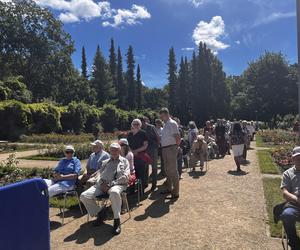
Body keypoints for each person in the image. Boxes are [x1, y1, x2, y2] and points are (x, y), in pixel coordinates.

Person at [80, 143, 130, 235]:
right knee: (84, 196)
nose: (114, 152)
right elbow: (99, 174)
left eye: (116, 150)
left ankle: (117, 221)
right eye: (112, 150)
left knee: (114, 192)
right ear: (109, 151)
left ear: (119, 151)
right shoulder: (105, 162)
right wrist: (102, 184)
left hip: (117, 184)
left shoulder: (124, 161)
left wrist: (111, 184)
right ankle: (100, 213)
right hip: (102, 185)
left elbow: (126, 176)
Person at [280, 146, 300, 250]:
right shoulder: (288, 173)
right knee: (287, 215)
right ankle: (295, 243)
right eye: (298, 158)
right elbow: (285, 193)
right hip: (294, 204)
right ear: (293, 159)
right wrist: (297, 199)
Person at [159, 108, 181, 200]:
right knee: (167, 170)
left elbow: (177, 137)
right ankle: (169, 188)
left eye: (162, 116)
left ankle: (175, 192)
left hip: (171, 148)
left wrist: (176, 147)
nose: (161, 118)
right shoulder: (166, 124)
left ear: (167, 114)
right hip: (165, 148)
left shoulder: (172, 123)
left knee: (173, 170)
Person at [127, 119, 149, 193]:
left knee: (141, 174)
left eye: (137, 124)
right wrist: (132, 152)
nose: (135, 125)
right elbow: (128, 145)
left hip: (141, 156)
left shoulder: (143, 133)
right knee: (132, 173)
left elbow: (145, 145)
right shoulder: (130, 134)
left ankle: (141, 190)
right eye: (134, 124)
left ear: (140, 125)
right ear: (132, 125)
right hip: (132, 157)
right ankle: (132, 190)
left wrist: (136, 151)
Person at [140, 117, 160, 191]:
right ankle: (145, 183)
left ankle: (154, 185)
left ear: (144, 122)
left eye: (141, 123)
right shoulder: (140, 129)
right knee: (145, 167)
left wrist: (156, 147)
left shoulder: (151, 127)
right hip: (144, 151)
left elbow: (158, 138)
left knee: (154, 167)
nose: (141, 124)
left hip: (153, 149)